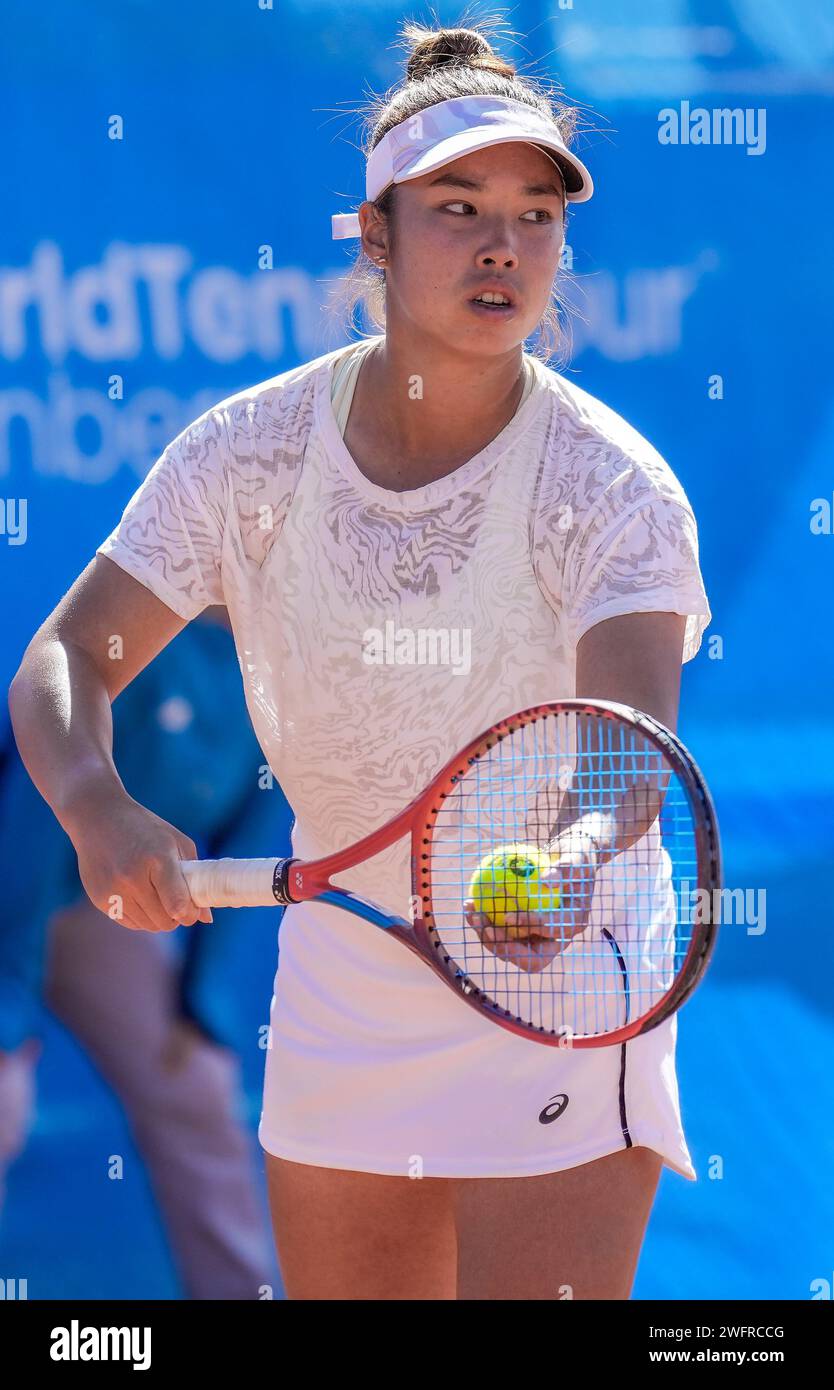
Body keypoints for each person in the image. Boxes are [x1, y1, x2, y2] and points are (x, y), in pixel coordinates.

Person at [8, 21, 712, 1300]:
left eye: (535, 214)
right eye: (456, 208)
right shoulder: (244, 455)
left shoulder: (616, 488)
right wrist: (98, 806)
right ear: (374, 234)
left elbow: (626, 744)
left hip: (565, 973)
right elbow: (66, 659)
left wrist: (569, 856)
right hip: (345, 980)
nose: (504, 244)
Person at [1, 611, 289, 1298]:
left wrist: (200, 999)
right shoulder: (133, 632)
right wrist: (9, 1004)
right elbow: (31, 825)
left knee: (195, 1084)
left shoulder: (283, 680)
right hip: (18, 884)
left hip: (90, 911)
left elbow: (247, 851)